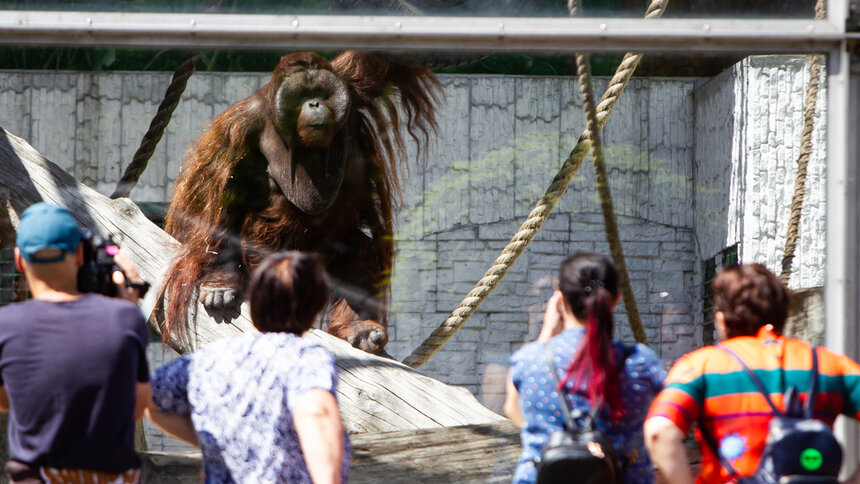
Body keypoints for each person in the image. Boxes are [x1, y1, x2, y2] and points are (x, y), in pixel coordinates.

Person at [644, 263, 860, 483]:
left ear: (721, 319)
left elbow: (659, 431)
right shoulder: (830, 364)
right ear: (783, 313)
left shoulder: (700, 367)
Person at [146, 251, 350, 484]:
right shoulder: (306, 357)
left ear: (254, 302)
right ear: (314, 307)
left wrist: (215, 443)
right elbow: (316, 414)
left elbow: (150, 400)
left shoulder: (211, 356)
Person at [0, 202, 151, 483]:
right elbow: (137, 406)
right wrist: (128, 306)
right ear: (80, 255)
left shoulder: (4, 325)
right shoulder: (125, 319)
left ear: (19, 260)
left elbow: (6, 400)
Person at [504, 251, 666, 484]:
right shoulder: (640, 362)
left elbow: (514, 409)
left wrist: (547, 334)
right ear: (617, 299)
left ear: (560, 298)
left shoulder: (529, 360)